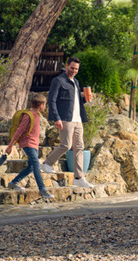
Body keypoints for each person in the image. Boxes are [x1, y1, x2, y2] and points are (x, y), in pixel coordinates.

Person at [41, 57, 93, 188]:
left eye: (76, 69)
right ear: (67, 66)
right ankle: (47, 163)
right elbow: (51, 100)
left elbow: (76, 101)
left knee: (80, 147)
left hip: (78, 119)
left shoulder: (76, 82)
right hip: (65, 118)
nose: (74, 71)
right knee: (66, 145)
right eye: (72, 68)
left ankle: (79, 177)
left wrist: (85, 99)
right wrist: (56, 118)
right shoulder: (58, 81)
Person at [6, 93, 54, 199]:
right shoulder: (28, 115)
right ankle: (42, 189)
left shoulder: (37, 115)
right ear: (41, 105)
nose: (45, 106)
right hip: (28, 144)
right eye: (45, 104)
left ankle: (13, 183)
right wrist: (10, 145)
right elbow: (20, 130)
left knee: (31, 167)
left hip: (34, 145)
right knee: (36, 165)